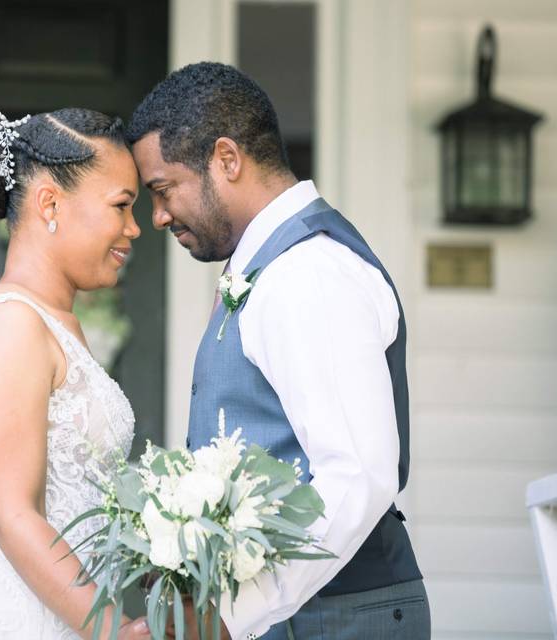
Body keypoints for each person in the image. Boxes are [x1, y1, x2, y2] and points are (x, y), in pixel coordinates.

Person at [127, 62, 430, 639]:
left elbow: (358, 476)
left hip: (332, 618)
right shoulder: (272, 269)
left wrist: (228, 613)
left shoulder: (308, 274)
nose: (159, 215)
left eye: (163, 190)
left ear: (227, 159)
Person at [0, 109, 150, 640]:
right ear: (50, 203)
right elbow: (7, 514)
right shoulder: (12, 325)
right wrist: (112, 630)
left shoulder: (44, 321)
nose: (134, 228)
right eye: (121, 206)